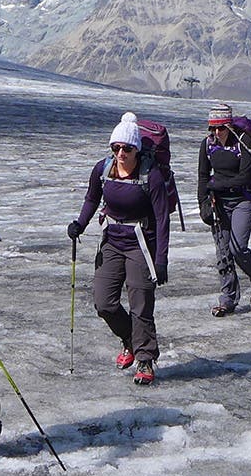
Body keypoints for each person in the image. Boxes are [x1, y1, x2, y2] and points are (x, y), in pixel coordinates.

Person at [68, 113, 173, 385]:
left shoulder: (151, 176)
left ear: (137, 148)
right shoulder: (103, 169)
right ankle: (129, 339)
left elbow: (162, 218)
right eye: (116, 148)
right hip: (112, 240)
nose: (121, 153)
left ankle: (146, 359)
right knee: (104, 303)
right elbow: (92, 198)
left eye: (127, 148)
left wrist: (161, 260)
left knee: (141, 305)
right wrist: (80, 224)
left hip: (141, 242)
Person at [196, 102, 251, 315]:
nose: (217, 132)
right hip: (219, 203)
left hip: (243, 200)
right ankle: (228, 298)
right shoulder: (208, 144)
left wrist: (217, 185)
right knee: (223, 251)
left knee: (238, 248)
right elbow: (203, 176)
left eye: (221, 128)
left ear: (229, 126)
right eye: (213, 128)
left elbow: (244, 177)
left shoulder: (244, 142)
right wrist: (203, 203)